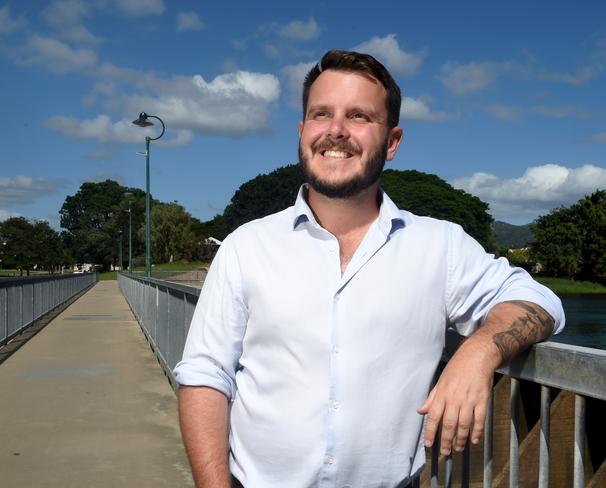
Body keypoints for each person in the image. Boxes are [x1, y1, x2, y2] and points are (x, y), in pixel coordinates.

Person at [173, 49, 564, 488]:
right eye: (322, 114)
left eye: (359, 116)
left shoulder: (440, 246)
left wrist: (478, 353)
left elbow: (540, 301)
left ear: (392, 142)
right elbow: (206, 377)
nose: (336, 131)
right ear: (302, 132)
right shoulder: (246, 246)